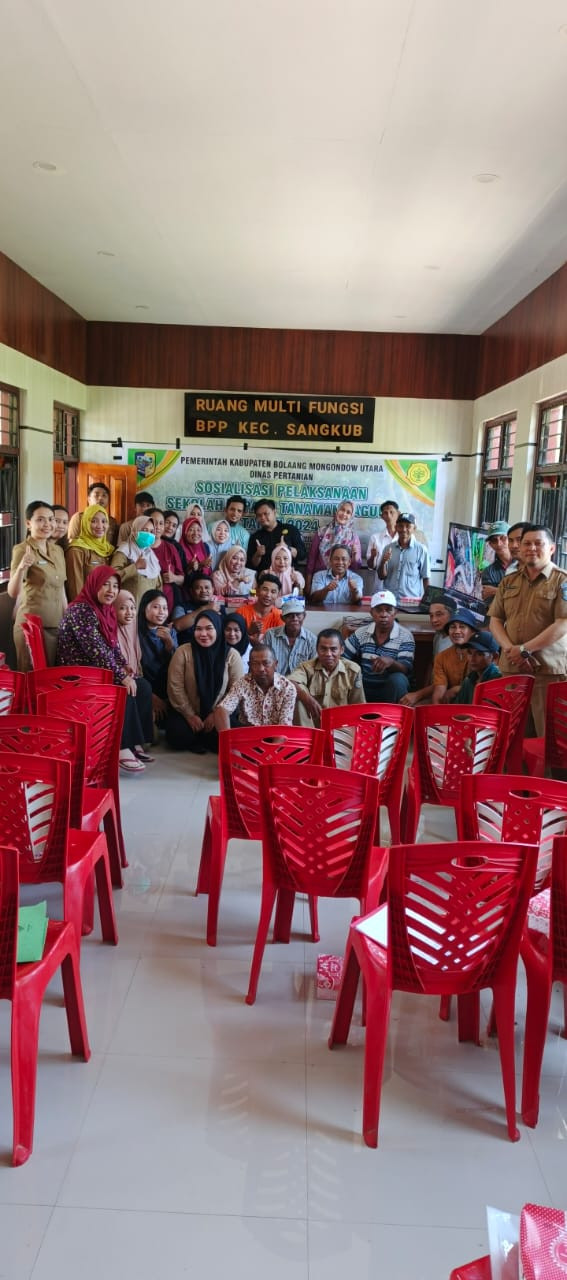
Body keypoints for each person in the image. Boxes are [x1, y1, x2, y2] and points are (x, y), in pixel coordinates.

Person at [56, 566, 154, 773]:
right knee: (122, 688)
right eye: (105, 585)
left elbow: (111, 644)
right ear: (93, 585)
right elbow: (95, 650)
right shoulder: (81, 610)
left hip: (97, 669)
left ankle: (137, 741)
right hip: (79, 674)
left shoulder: (104, 610)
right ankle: (122, 747)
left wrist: (124, 665)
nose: (111, 590)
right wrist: (121, 675)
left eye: (115, 586)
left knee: (142, 685)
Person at [489, 523, 567, 735]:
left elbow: (563, 623)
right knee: (512, 734)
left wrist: (525, 649)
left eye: (538, 543)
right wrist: (511, 650)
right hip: (512, 669)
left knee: (548, 738)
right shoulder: (509, 581)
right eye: (526, 543)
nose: (531, 548)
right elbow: (495, 618)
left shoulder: (562, 581)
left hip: (547, 672)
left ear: (552, 548)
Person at [166, 610, 243, 752]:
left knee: (234, 733)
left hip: (219, 713)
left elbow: (236, 691)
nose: (203, 634)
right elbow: (175, 686)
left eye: (209, 628)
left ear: (218, 629)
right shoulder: (183, 651)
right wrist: (189, 715)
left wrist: (216, 715)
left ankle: (204, 738)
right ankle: (203, 737)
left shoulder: (232, 655)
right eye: (198, 629)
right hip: (189, 712)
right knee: (177, 735)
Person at [8, 500, 66, 670]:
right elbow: (13, 591)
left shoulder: (58, 551)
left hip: (56, 626)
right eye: (40, 519)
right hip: (31, 627)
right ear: (28, 523)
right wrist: (21, 568)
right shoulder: (22, 549)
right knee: (32, 681)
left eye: (51, 519)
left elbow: (60, 587)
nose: (48, 524)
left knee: (52, 680)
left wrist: (66, 618)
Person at [344, 590, 415, 703]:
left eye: (388, 610)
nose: (383, 615)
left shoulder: (405, 636)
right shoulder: (361, 633)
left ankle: (394, 718)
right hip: (363, 686)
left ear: (395, 612)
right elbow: (342, 655)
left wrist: (391, 662)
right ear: (371, 612)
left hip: (389, 689)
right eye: (379, 610)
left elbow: (405, 669)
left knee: (398, 680)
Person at [113, 589, 156, 763]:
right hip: (114, 675)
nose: (129, 613)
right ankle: (128, 743)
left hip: (128, 673)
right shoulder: (109, 628)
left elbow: (135, 659)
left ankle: (139, 742)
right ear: (113, 610)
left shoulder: (132, 627)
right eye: (123, 608)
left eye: (132, 608)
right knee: (130, 691)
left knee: (144, 686)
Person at [291, 628, 365, 726]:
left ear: (341, 650)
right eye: (323, 649)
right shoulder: (306, 667)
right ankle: (306, 739)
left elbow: (359, 706)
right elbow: (289, 682)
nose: (328, 654)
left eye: (333, 649)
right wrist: (307, 699)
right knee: (297, 695)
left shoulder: (353, 670)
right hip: (313, 726)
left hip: (341, 728)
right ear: (317, 649)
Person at [214, 643, 297, 730]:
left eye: (266, 663)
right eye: (255, 664)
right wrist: (227, 740)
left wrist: (273, 744)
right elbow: (222, 709)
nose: (261, 668)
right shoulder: (242, 683)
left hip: (276, 735)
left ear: (275, 664)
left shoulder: (287, 688)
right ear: (249, 665)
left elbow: (284, 726)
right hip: (247, 734)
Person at [400, 597, 456, 707]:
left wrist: (418, 695)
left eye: (439, 614)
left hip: (446, 694)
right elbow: (432, 664)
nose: (434, 620)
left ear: (452, 615)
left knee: (412, 710)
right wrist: (421, 691)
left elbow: (446, 681)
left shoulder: (455, 642)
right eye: (431, 615)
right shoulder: (438, 635)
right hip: (432, 690)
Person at [138, 588, 178, 724]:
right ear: (144, 609)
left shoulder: (171, 633)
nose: (162, 612)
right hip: (145, 688)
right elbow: (135, 670)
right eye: (156, 607)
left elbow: (177, 667)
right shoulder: (136, 634)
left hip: (167, 689)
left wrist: (169, 643)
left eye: (165, 608)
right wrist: (151, 696)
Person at [305, 500, 362, 594]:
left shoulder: (353, 537)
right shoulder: (322, 532)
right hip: (321, 580)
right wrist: (307, 584)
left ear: (351, 516)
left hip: (343, 583)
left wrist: (355, 557)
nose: (344, 514)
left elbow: (356, 566)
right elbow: (311, 560)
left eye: (348, 512)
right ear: (337, 511)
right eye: (342, 510)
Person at [65, 504, 115, 600]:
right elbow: (76, 589)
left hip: (105, 607)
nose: (100, 526)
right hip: (86, 608)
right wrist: (83, 611)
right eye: (93, 521)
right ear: (85, 523)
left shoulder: (109, 550)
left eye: (104, 521)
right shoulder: (77, 550)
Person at [377, 512, 430, 602]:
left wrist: (427, 601)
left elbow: (426, 577)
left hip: (411, 601)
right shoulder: (388, 548)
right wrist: (383, 562)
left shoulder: (421, 550)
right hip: (389, 600)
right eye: (400, 526)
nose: (404, 529)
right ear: (396, 527)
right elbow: (381, 576)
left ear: (414, 528)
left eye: (408, 526)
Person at [112, 515, 162, 605]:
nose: (148, 535)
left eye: (151, 531)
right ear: (135, 532)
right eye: (144, 530)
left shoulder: (151, 555)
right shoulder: (124, 551)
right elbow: (113, 578)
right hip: (128, 607)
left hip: (148, 610)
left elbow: (158, 585)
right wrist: (135, 567)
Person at [246, 499, 306, 573]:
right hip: (266, 578)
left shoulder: (291, 530)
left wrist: (287, 548)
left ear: (274, 512)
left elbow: (302, 555)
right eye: (259, 515)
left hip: (289, 577)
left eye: (266, 514)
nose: (263, 517)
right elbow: (251, 565)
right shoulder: (255, 537)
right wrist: (258, 554)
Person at [431, 607, 477, 703]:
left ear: (472, 631)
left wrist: (457, 689)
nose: (456, 631)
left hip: (477, 705)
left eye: (462, 626)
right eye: (453, 627)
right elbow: (439, 691)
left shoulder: (481, 655)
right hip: (451, 705)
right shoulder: (441, 657)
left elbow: (482, 687)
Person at [145, 508, 185, 615]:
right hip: (143, 601)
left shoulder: (170, 548)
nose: (157, 527)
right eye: (154, 522)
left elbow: (182, 579)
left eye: (161, 523)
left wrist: (174, 578)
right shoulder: (139, 546)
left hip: (167, 604)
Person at [264, 599, 317, 676]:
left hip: (301, 683)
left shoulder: (312, 639)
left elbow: (313, 670)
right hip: (274, 681)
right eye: (290, 615)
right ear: (282, 618)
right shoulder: (270, 635)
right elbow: (266, 664)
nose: (295, 618)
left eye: (298, 615)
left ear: (304, 616)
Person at [455, 632, 501, 703]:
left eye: (479, 654)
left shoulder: (498, 680)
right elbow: (459, 709)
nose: (472, 659)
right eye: (469, 653)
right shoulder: (468, 681)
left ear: (494, 657)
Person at [173, 572, 220, 639]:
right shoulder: (181, 607)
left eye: (207, 587)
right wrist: (205, 609)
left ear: (212, 590)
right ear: (191, 591)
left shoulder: (218, 607)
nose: (203, 591)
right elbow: (177, 626)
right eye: (198, 588)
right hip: (187, 646)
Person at [238, 572, 283, 639]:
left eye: (273, 592)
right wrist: (249, 632)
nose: (268, 595)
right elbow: (233, 640)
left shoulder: (280, 616)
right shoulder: (242, 612)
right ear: (257, 590)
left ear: (278, 595)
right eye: (265, 589)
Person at [481, 521, 512, 600]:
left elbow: (529, 594)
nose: (499, 543)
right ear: (490, 544)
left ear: (511, 539)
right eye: (494, 540)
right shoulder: (488, 572)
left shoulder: (524, 564)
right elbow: (491, 604)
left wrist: (496, 591)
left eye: (503, 538)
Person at [366, 500, 400, 570]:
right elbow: (371, 566)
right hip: (381, 580)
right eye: (385, 513)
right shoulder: (375, 538)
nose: (388, 516)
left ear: (398, 514)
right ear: (382, 516)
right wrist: (373, 556)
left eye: (391, 512)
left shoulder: (405, 537)